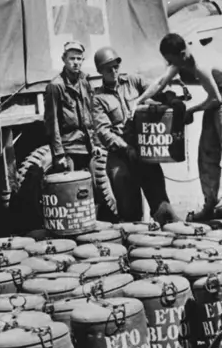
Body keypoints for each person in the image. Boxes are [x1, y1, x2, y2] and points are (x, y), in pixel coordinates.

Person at [133, 32, 222, 230]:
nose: (171, 65)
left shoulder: (200, 65)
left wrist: (192, 110)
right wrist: (138, 101)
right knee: (206, 154)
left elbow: (216, 99)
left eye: (172, 61)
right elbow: (160, 82)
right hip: (218, 97)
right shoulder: (182, 57)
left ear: (181, 54)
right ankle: (213, 205)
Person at [91, 46, 180, 225]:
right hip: (120, 157)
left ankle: (172, 238)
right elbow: (103, 131)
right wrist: (126, 148)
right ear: (100, 71)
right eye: (108, 68)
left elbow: (158, 91)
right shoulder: (98, 98)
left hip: (145, 151)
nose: (113, 71)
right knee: (130, 215)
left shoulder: (133, 81)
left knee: (163, 207)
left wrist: (173, 100)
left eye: (116, 66)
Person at [44, 41, 96, 173]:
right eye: (72, 58)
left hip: (87, 146)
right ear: (64, 59)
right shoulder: (56, 86)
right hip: (69, 148)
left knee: (94, 186)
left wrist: (96, 143)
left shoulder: (84, 82)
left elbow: (91, 113)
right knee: (71, 187)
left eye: (79, 59)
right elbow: (52, 122)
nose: (76, 62)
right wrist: (59, 154)